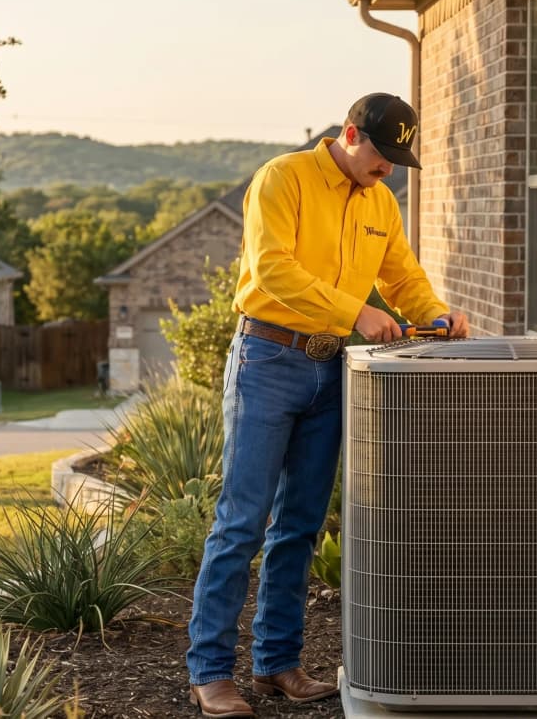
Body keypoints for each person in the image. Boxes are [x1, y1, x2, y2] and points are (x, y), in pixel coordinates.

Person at [186, 93, 470, 718]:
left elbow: (401, 276)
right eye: (382, 153)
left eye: (399, 158)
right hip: (267, 360)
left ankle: (276, 663)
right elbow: (271, 271)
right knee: (242, 522)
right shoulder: (282, 179)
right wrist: (358, 312)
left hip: (330, 369)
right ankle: (210, 672)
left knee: (301, 526)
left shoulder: (379, 203)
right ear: (349, 134)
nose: (389, 168)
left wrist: (435, 315)